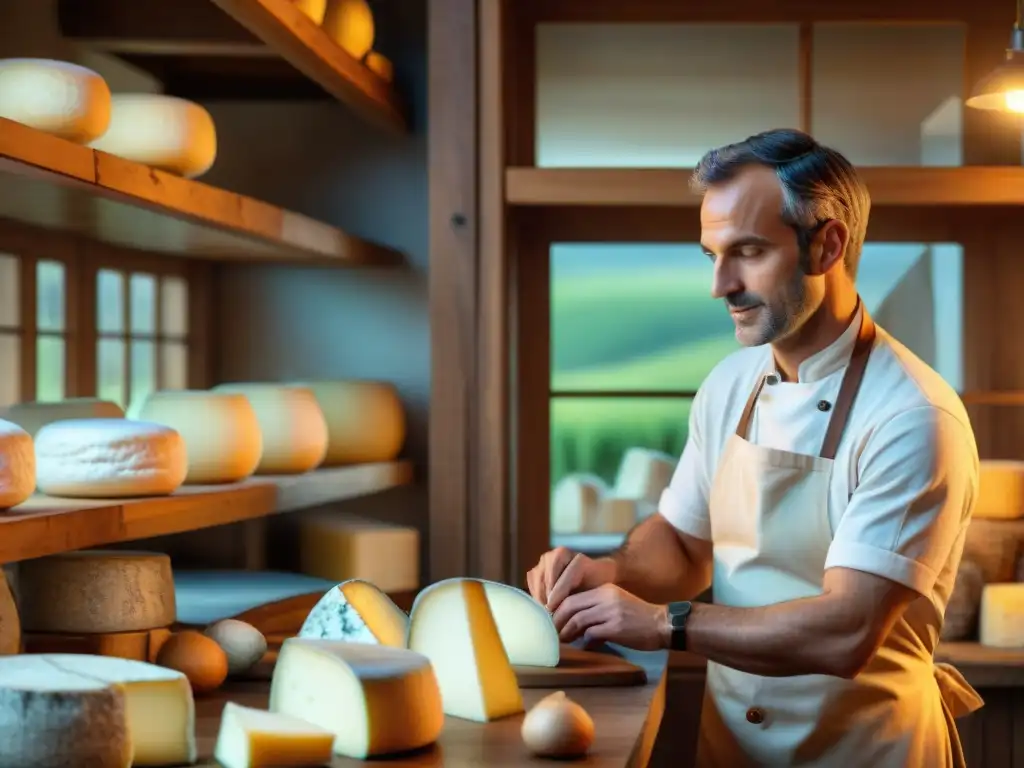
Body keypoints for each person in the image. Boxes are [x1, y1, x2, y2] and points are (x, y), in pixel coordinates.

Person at [527, 129, 983, 767]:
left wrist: (665, 624)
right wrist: (611, 573)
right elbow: (686, 545)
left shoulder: (912, 416)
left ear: (827, 245)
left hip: (867, 750)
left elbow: (845, 631)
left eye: (748, 251)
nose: (720, 285)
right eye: (712, 254)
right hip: (732, 749)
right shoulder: (729, 384)